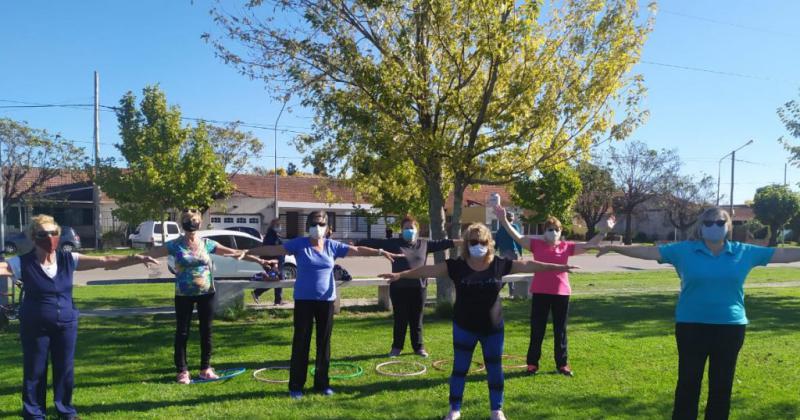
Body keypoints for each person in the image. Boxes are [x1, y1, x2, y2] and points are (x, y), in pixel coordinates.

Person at [596, 207, 800, 420]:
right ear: (700, 227)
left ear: (728, 226)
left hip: (730, 328)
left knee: (722, 386)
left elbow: (783, 254)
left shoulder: (743, 252)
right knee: (688, 384)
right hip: (691, 327)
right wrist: (614, 248)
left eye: (720, 223)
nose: (715, 227)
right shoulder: (683, 250)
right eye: (709, 223)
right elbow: (649, 252)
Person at [380, 223, 578, 420]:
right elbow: (425, 270)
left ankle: (496, 410)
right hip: (464, 327)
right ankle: (454, 409)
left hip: (493, 329)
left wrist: (560, 267)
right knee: (460, 369)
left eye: (482, 241)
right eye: (473, 242)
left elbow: (530, 265)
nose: (478, 245)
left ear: (488, 243)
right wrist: (400, 275)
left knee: (494, 369)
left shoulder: (499, 264)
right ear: (467, 244)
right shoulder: (456, 266)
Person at [0, 214, 158, 419]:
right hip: (35, 326)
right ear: (33, 236)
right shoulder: (22, 263)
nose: (50, 237)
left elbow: (105, 260)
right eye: (43, 234)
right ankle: (34, 413)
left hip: (66, 324)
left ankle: (65, 411)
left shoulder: (68, 259)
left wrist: (135, 258)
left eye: (53, 233)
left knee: (65, 370)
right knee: (35, 371)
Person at [244, 210, 402, 399]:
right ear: (308, 226)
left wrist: (380, 251)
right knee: (301, 343)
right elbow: (273, 250)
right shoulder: (299, 244)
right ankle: (296, 386)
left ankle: (322, 383)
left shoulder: (332, 246)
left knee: (323, 344)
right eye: (313, 224)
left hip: (326, 302)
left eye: (320, 224)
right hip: (304, 301)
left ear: (327, 227)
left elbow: (357, 250)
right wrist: (247, 252)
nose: (317, 228)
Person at [142, 208, 272, 384]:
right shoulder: (174, 245)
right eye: (188, 220)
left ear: (200, 222)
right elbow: (150, 254)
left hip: (206, 294)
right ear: (182, 223)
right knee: (182, 332)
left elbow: (234, 253)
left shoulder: (207, 244)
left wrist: (261, 261)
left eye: (194, 220)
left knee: (207, 331)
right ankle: (182, 371)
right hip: (183, 295)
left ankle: (205, 368)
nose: (191, 223)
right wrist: (129, 259)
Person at [494, 205, 614, 377]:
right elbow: (518, 237)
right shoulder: (536, 245)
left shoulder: (566, 246)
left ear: (561, 230)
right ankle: (532, 364)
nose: (553, 232)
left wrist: (604, 232)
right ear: (545, 231)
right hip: (540, 292)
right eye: (550, 229)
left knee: (560, 330)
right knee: (537, 329)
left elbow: (589, 245)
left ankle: (562, 364)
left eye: (556, 229)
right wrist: (504, 220)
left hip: (561, 294)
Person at [358, 215, 462, 358]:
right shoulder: (394, 243)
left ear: (417, 230)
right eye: (406, 228)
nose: (409, 231)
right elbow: (374, 242)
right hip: (398, 287)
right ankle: (396, 347)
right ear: (401, 230)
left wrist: (463, 242)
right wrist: (356, 242)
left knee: (417, 319)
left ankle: (418, 347)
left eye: (411, 228)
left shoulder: (424, 245)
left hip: (419, 288)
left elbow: (445, 243)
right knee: (400, 319)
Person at [252, 218, 285, 305]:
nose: (280, 227)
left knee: (277, 279)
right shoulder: (271, 236)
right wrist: (274, 264)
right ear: (274, 226)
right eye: (278, 225)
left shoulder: (274, 235)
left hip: (276, 262)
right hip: (273, 263)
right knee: (278, 279)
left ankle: (278, 300)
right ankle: (258, 293)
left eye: (280, 225)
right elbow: (271, 250)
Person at [493, 212, 523, 297]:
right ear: (512, 218)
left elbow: (496, 242)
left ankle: (498, 290)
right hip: (512, 252)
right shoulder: (514, 227)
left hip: (502, 253)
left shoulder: (500, 229)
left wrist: (494, 251)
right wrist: (520, 253)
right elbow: (518, 241)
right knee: (511, 272)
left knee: (505, 272)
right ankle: (511, 293)